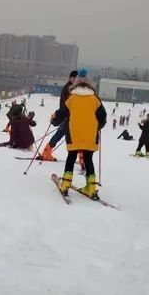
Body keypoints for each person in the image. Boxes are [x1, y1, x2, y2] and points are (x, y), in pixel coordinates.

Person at [53, 68, 107, 200]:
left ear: (75, 85)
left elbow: (61, 114)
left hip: (74, 133)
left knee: (71, 156)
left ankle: (65, 184)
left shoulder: (72, 98)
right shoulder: (95, 99)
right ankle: (92, 187)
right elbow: (103, 117)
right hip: (90, 135)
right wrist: (96, 128)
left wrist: (53, 119)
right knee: (88, 159)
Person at [39, 70, 78, 161]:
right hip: (67, 116)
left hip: (69, 116)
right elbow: (68, 105)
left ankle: (46, 152)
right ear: (70, 78)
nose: (75, 80)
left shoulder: (72, 88)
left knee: (63, 134)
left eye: (76, 78)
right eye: (73, 78)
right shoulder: (69, 88)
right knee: (68, 135)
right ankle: (46, 153)